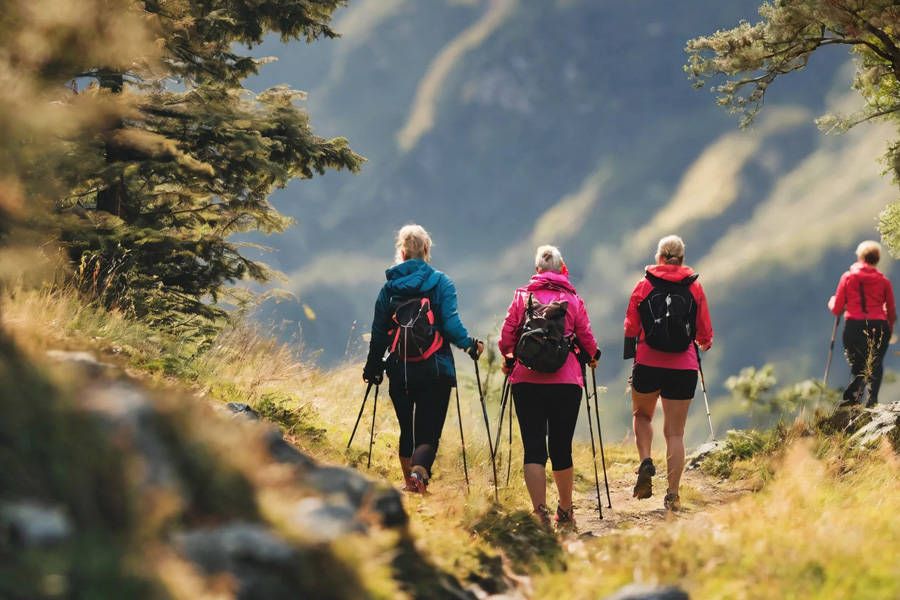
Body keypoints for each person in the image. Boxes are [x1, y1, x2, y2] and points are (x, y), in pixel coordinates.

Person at [363, 224, 483, 493]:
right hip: (435, 368)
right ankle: (419, 476)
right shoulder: (441, 282)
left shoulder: (389, 289)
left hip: (399, 367)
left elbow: (379, 332)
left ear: (402, 254)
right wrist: (470, 346)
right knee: (428, 433)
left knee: (407, 430)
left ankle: (410, 485)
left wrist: (373, 367)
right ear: (427, 250)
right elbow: (452, 327)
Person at [498, 245, 599, 530]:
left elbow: (505, 339)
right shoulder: (573, 300)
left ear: (538, 270)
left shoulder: (522, 297)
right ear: (561, 268)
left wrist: (509, 358)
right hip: (566, 383)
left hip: (526, 381)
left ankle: (539, 513)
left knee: (533, 447)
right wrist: (593, 357)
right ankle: (565, 512)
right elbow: (588, 342)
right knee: (561, 447)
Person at [623, 235, 713, 511]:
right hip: (683, 366)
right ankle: (672, 494)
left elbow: (630, 326)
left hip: (648, 362)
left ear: (658, 258)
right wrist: (703, 342)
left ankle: (646, 461)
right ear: (682, 260)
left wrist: (632, 351)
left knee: (642, 415)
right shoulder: (694, 287)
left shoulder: (644, 285)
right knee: (675, 433)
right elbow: (704, 332)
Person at [828, 240, 896, 408]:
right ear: (877, 259)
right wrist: (889, 330)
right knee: (876, 361)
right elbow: (891, 311)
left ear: (859, 257)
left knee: (858, 362)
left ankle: (854, 397)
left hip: (854, 326)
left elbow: (837, 309)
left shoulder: (848, 277)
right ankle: (872, 400)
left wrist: (832, 302)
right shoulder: (884, 282)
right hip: (879, 324)